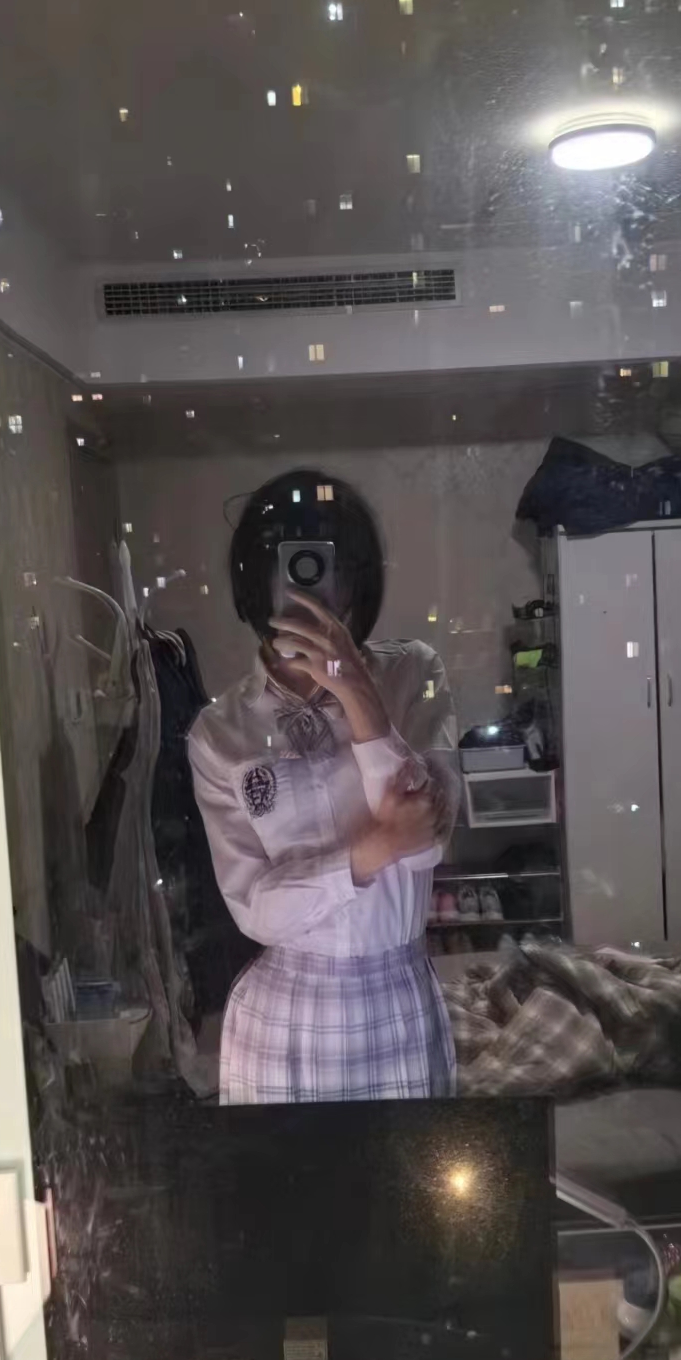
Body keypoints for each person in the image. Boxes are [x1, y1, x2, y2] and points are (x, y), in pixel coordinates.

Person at [188, 469, 458, 1104]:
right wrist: (373, 849)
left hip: (397, 996)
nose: (307, 580)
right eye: (288, 561)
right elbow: (255, 910)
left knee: (412, 1173)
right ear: (256, 577)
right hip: (279, 1011)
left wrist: (356, 690)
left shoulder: (413, 673)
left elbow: (427, 842)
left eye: (326, 561)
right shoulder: (220, 733)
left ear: (356, 577)